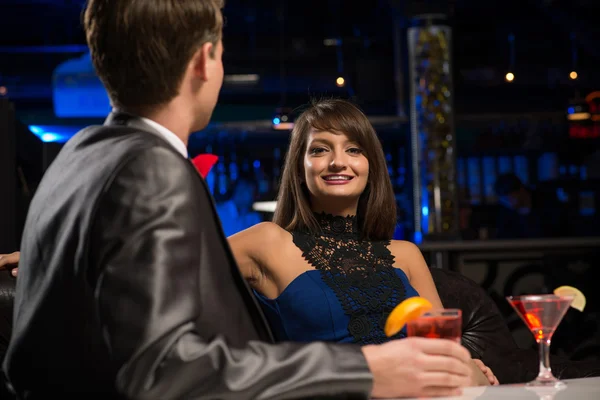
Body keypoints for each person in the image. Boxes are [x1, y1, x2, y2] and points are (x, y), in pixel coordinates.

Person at [1, 1, 476, 399]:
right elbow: (164, 370)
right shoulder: (154, 169)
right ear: (205, 60)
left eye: (353, 150)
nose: (339, 162)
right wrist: (366, 370)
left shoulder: (75, 158)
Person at [227, 98, 493, 385]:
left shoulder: (405, 254)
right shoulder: (267, 242)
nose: (338, 162)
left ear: (370, 167)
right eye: (319, 150)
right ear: (299, 170)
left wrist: (469, 368)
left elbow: (449, 356)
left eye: (353, 149)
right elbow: (177, 271)